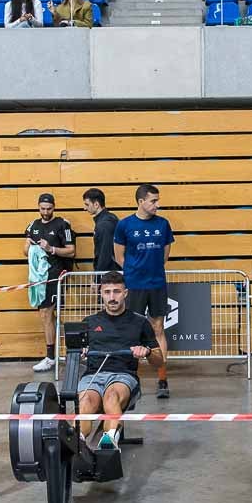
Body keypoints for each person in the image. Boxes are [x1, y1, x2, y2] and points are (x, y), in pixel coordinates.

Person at [76, 271, 163, 449]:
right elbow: (73, 355)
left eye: (116, 291)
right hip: (93, 375)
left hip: (123, 376)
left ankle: (108, 442)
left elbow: (159, 360)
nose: (112, 297)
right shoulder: (89, 322)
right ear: (101, 293)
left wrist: (146, 352)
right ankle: (77, 443)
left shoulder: (140, 322)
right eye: (107, 292)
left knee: (111, 396)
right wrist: (79, 353)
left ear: (125, 293)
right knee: (85, 402)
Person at [113, 183, 174, 398]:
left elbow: (165, 256)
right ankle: (132, 379)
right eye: (153, 201)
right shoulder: (124, 225)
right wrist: (133, 272)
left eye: (157, 200)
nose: (157, 204)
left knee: (158, 328)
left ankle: (162, 379)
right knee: (134, 331)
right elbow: (119, 257)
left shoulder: (164, 225)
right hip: (134, 285)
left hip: (157, 283)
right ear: (141, 202)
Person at [25, 192, 75, 371]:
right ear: (38, 207)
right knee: (47, 316)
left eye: (49, 208)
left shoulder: (62, 225)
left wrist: (51, 248)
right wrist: (31, 246)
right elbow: (24, 250)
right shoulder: (33, 225)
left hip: (56, 275)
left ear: (54, 207)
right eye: (42, 208)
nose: (45, 212)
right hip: (39, 277)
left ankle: (51, 356)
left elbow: (71, 251)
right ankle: (55, 354)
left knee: (47, 313)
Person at [83, 187, 120, 272]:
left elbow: (105, 254)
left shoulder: (104, 224)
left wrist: (97, 279)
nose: (84, 208)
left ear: (96, 204)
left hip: (110, 275)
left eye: (87, 204)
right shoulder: (110, 218)